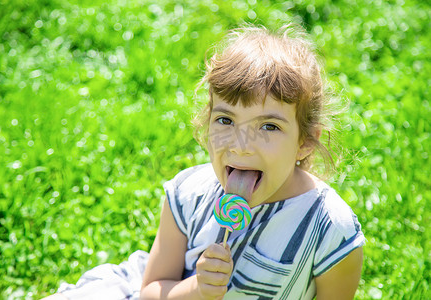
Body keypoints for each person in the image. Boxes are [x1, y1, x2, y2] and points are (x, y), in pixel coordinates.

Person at [43, 23, 365, 300]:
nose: (241, 146)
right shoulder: (188, 194)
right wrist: (197, 289)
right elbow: (151, 290)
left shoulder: (329, 229)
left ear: (305, 142)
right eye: (226, 120)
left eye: (269, 126)